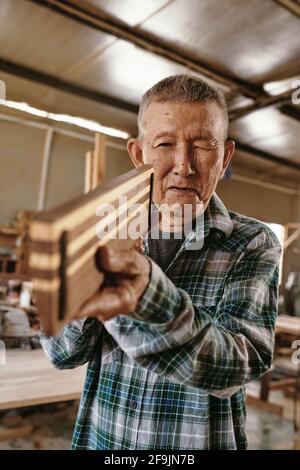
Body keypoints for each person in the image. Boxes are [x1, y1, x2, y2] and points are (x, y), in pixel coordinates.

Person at [41, 75, 281, 450]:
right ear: (139, 155)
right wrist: (85, 284)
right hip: (105, 442)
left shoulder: (252, 243)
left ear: (225, 156)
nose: (184, 166)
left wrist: (147, 294)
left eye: (202, 146)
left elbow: (237, 367)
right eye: (165, 144)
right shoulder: (107, 232)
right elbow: (61, 354)